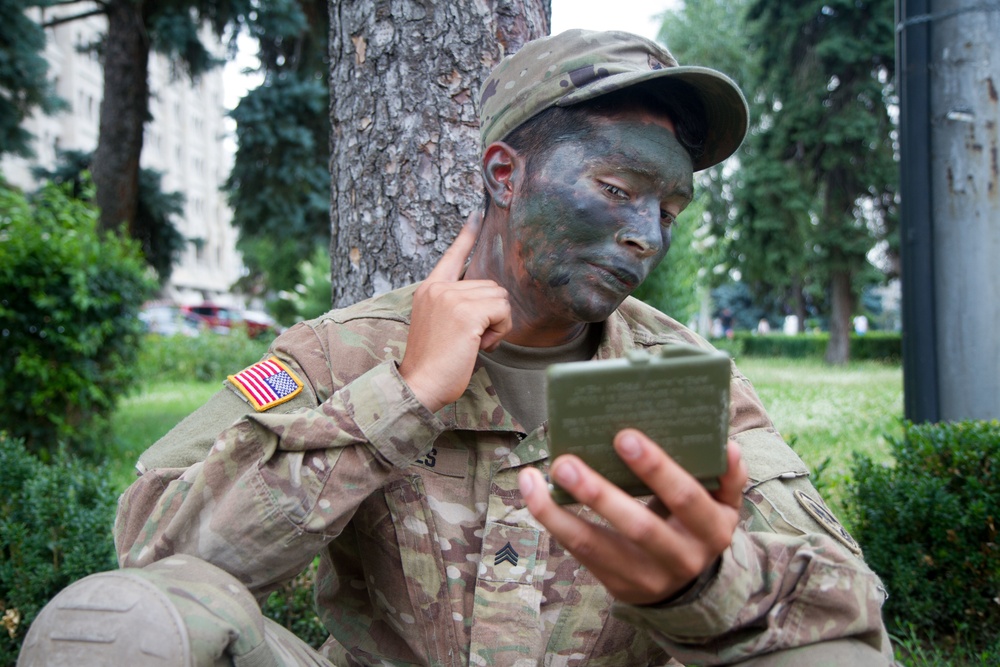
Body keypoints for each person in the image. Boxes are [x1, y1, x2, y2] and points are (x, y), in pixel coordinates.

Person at [21, 29, 892, 666]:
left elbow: (851, 612)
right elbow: (155, 559)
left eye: (668, 210)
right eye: (617, 187)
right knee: (114, 629)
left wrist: (703, 586)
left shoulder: (679, 380)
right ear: (505, 174)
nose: (644, 238)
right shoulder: (340, 353)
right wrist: (397, 398)